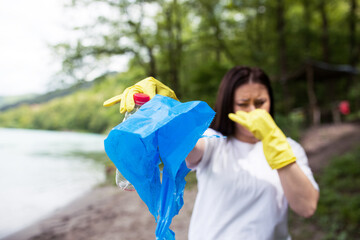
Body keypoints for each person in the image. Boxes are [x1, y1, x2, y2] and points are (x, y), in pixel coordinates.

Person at [104, 67, 319, 240]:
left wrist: (275, 143)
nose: (253, 111)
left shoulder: (290, 148)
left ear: (271, 101)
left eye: (260, 102)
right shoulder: (215, 142)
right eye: (243, 104)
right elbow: (188, 145)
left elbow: (307, 207)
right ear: (229, 105)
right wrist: (165, 114)